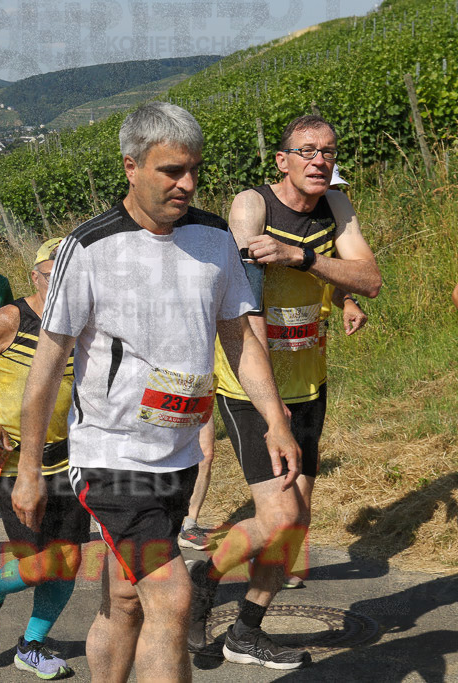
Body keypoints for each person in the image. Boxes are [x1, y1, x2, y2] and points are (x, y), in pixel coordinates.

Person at [13, 102, 300, 681]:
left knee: (124, 600)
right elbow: (46, 368)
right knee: (171, 599)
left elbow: (239, 337)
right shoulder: (88, 249)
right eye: (171, 170)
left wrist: (275, 418)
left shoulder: (214, 237)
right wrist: (26, 471)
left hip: (178, 454)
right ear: (131, 167)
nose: (186, 183)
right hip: (110, 457)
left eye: (193, 169)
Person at [190, 114, 381, 669]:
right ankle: (207, 572)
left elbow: (369, 278)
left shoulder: (335, 207)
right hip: (251, 386)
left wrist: (310, 262)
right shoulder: (253, 205)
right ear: (283, 161)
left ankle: (246, 629)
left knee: (296, 522)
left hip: (308, 383)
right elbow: (245, 295)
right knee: (277, 518)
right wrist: (271, 413)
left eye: (328, 151)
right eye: (307, 150)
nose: (320, 159)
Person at [0, 237, 89, 678]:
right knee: (35, 563)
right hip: (13, 461)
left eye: (71, 275)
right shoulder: (12, 317)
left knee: (67, 561)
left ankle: (31, 644)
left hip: (68, 459)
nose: (62, 284)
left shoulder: (84, 320)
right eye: (53, 275)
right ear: (36, 276)